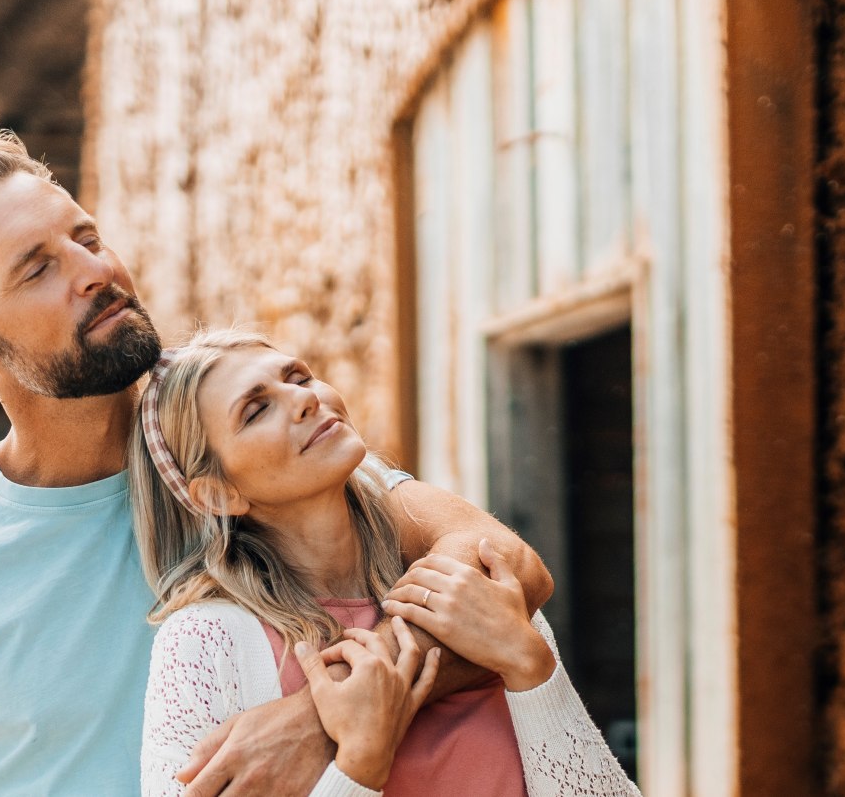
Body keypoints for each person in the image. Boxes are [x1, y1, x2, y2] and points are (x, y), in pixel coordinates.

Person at [0, 131, 554, 795]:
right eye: (38, 267)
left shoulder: (240, 445)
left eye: (86, 236)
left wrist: (317, 717)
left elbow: (507, 571)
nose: (94, 269)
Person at [132, 329, 639, 796]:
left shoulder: (460, 580)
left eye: (299, 377)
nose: (305, 398)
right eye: (256, 409)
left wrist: (533, 668)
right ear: (218, 493)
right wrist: (359, 767)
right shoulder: (205, 644)